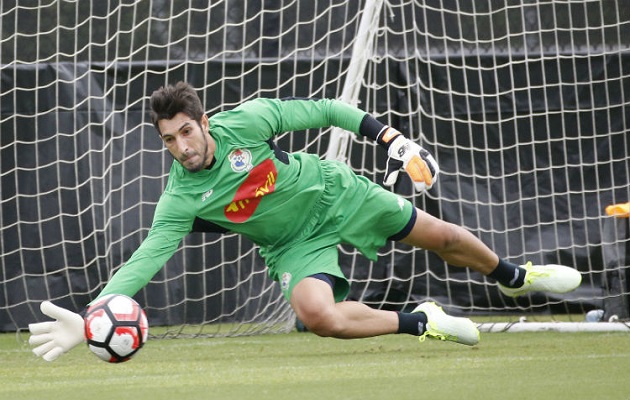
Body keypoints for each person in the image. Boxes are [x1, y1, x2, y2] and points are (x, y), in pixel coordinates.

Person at [28, 82, 582, 361]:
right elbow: (146, 257)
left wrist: (390, 137)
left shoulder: (247, 120)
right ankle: (422, 320)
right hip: (292, 244)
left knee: (442, 237)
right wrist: (92, 314)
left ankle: (514, 276)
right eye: (168, 140)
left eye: (185, 133)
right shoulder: (180, 197)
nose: (180, 147)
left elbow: (325, 110)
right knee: (319, 317)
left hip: (334, 193)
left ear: (202, 122)